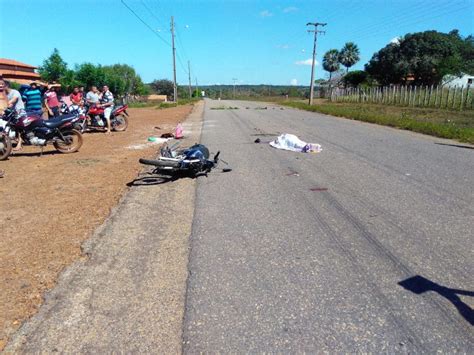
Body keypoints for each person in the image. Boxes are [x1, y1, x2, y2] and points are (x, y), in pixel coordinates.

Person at [4, 80, 26, 150]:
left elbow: (13, 100)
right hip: (13, 113)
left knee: (19, 129)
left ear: (6, 86)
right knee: (12, 127)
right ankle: (17, 141)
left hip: (20, 112)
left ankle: (19, 145)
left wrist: (4, 105)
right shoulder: (5, 94)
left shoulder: (15, 92)